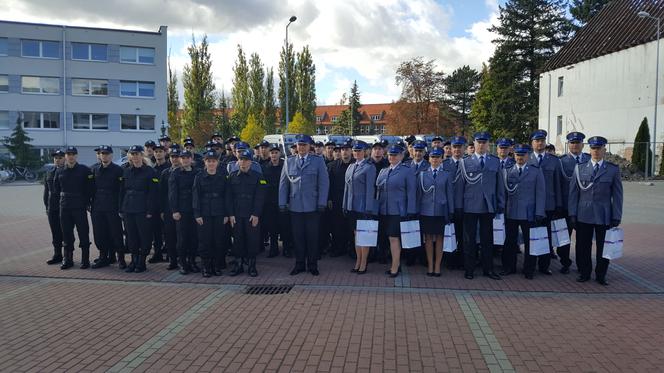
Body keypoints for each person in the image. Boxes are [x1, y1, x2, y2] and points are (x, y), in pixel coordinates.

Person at [569, 136, 623, 286]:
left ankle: (601, 274)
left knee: (604, 246)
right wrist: (572, 214)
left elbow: (618, 195)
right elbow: (573, 193)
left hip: (604, 214)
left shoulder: (612, 169)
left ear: (604, 150)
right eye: (593, 148)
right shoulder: (580, 168)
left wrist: (617, 215)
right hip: (583, 214)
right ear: (589, 149)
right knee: (583, 245)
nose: (596, 151)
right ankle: (585, 272)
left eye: (599, 148)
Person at [455, 132, 504, 280]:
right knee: (469, 240)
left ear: (488, 144)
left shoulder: (495, 162)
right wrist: (458, 207)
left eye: (484, 142)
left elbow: (499, 185)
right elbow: (459, 187)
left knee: (487, 240)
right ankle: (469, 269)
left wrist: (501, 203)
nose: (481, 145)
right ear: (474, 144)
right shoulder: (465, 162)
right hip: (469, 206)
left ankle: (488, 269)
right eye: (479, 142)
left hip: (488, 206)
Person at [279, 134, 330, 276]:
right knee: (298, 237)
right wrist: (282, 202)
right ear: (296, 147)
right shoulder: (289, 162)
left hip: (312, 206)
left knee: (312, 237)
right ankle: (299, 264)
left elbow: (324, 183)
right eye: (299, 145)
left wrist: (322, 202)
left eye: (304, 145)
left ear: (309, 147)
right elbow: (283, 184)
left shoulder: (318, 161)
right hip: (295, 206)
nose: (301, 148)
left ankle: (312, 265)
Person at [501, 144, 546, 279]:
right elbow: (503, 193)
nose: (520, 157)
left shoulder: (536, 171)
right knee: (510, 241)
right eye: (517, 155)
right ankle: (509, 267)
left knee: (530, 241)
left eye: (522, 155)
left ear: (528, 156)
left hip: (529, 212)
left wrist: (539, 211)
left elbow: (540, 193)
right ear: (514, 155)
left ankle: (529, 269)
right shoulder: (507, 171)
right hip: (511, 211)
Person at [376, 144, 417, 278]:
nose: (392, 157)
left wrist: (411, 210)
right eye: (390, 155)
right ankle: (395, 263)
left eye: (395, 155)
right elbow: (379, 190)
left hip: (398, 210)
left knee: (394, 238)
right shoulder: (384, 171)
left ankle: (395, 266)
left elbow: (411, 192)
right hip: (384, 210)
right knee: (389, 238)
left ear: (401, 156)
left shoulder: (407, 170)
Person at [226, 149, 267, 277]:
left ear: (251, 162)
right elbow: (228, 197)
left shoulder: (258, 176)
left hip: (251, 214)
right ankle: (238, 265)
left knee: (252, 240)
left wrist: (256, 214)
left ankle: (252, 265)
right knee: (238, 240)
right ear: (237, 161)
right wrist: (231, 214)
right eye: (241, 159)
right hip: (237, 214)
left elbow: (260, 197)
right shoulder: (232, 176)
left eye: (246, 160)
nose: (243, 162)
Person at [529, 129, 563, 275]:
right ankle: (530, 263)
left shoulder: (554, 161)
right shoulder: (526, 158)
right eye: (537, 140)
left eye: (542, 140)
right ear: (532, 143)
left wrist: (559, 205)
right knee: (530, 235)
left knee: (546, 236)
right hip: (530, 205)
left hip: (548, 205)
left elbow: (558, 184)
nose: (540, 143)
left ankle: (544, 265)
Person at [119, 145, 158, 273]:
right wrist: (121, 208)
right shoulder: (126, 171)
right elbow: (122, 191)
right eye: (133, 154)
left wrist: (150, 211)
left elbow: (153, 194)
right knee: (131, 236)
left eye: (137, 154)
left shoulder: (150, 171)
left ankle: (142, 262)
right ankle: (133, 261)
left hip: (143, 209)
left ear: (142, 155)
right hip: (128, 208)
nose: (135, 156)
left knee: (144, 236)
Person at [53, 146, 93, 270]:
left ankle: (85, 260)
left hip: (79, 207)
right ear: (66, 156)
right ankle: (67, 259)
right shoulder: (59, 171)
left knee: (83, 233)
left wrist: (86, 202)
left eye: (73, 154)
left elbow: (90, 188)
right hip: (64, 207)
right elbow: (56, 188)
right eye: (68, 154)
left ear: (76, 156)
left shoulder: (84, 170)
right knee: (67, 234)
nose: (70, 156)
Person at [416, 147, 454, 276]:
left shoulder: (446, 174)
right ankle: (430, 265)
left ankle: (437, 265)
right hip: (426, 211)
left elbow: (450, 194)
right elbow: (419, 194)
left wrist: (451, 211)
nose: (435, 160)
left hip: (441, 211)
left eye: (437, 157)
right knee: (427, 238)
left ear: (441, 159)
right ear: (429, 158)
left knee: (439, 239)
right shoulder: (422, 174)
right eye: (432, 157)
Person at [557, 131, 590, 274]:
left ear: (582, 144)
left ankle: (582, 266)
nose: (575, 145)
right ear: (568, 144)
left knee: (583, 240)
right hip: (565, 207)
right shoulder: (561, 161)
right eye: (572, 143)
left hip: (583, 207)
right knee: (564, 239)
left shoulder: (589, 160)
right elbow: (557, 184)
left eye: (577, 143)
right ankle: (565, 262)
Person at [343, 140, 377, 274]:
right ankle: (358, 260)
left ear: (365, 152)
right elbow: (347, 188)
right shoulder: (351, 167)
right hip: (352, 206)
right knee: (356, 236)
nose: (357, 153)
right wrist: (345, 204)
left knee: (364, 236)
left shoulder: (369, 167)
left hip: (363, 207)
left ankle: (364, 263)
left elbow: (370, 190)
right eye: (355, 151)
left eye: (359, 151)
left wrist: (369, 208)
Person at [193, 151, 228, 277]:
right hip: (204, 213)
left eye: (213, 161)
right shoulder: (199, 177)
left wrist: (226, 214)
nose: (211, 163)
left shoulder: (223, 176)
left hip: (219, 212)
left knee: (218, 240)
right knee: (205, 241)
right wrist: (197, 214)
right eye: (209, 161)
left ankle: (216, 266)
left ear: (217, 162)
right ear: (205, 162)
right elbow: (196, 196)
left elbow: (226, 196)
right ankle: (206, 267)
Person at [90, 145, 124, 269]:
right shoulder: (95, 170)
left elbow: (121, 190)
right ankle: (103, 257)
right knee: (99, 233)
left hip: (112, 206)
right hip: (98, 207)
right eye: (102, 153)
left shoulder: (117, 170)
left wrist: (120, 207)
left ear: (111, 155)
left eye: (106, 153)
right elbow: (90, 189)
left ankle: (120, 258)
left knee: (116, 233)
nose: (104, 155)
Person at [169, 150, 199, 274]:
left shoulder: (197, 172)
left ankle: (192, 261)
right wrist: (175, 210)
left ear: (191, 159)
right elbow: (172, 194)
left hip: (195, 210)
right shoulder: (175, 173)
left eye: (187, 158)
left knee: (194, 238)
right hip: (181, 210)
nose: (185, 160)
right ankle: (183, 263)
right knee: (182, 239)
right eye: (183, 158)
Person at [327, 139, 355, 257]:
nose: (344, 152)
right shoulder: (332, 166)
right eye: (342, 150)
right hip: (337, 199)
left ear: (351, 151)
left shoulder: (356, 165)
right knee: (337, 226)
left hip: (352, 200)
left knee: (351, 226)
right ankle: (338, 248)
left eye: (347, 150)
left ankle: (352, 250)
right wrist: (329, 199)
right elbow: (329, 184)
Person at [262, 145, 290, 257]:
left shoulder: (285, 166)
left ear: (280, 154)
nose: (274, 155)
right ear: (269, 154)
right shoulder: (264, 167)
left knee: (285, 226)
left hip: (282, 201)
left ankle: (286, 248)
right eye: (272, 153)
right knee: (272, 227)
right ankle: (273, 249)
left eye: (276, 153)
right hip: (270, 202)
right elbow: (262, 184)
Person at [443, 136, 466, 270]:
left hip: (465, 205)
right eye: (455, 147)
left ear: (464, 148)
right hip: (449, 205)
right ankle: (449, 260)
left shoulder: (469, 163)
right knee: (449, 234)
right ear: (451, 149)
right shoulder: (445, 164)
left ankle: (462, 260)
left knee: (464, 235)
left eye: (460, 147)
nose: (457, 149)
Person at [160, 149, 181, 270]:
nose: (174, 159)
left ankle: (184, 259)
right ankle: (173, 260)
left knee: (183, 236)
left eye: (177, 156)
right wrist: (162, 210)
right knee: (170, 235)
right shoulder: (165, 173)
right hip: (168, 209)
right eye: (172, 156)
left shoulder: (185, 172)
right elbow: (162, 193)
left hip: (182, 208)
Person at [149, 144, 170, 263]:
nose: (158, 153)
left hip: (166, 204)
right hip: (154, 204)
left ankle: (169, 253)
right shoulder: (151, 169)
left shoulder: (169, 168)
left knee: (168, 231)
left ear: (165, 153)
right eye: (156, 151)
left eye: (160, 151)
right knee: (156, 231)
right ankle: (157, 253)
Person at [44, 150, 65, 265]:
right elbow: (46, 192)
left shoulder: (67, 171)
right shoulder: (50, 172)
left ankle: (68, 257)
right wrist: (46, 206)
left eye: (60, 157)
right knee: (55, 233)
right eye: (56, 157)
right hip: (52, 208)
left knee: (66, 233)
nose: (57, 159)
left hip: (65, 207)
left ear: (65, 158)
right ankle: (57, 255)